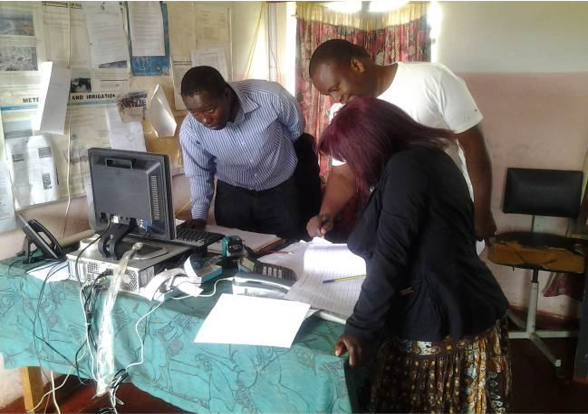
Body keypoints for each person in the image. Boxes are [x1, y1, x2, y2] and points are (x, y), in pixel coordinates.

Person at [319, 97, 510, 413]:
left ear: (370, 144)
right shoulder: (422, 160)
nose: (351, 167)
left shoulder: (408, 169)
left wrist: (360, 329)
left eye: (350, 156)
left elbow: (390, 256)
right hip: (453, 298)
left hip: (445, 317)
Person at [307, 39, 496, 247]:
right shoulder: (343, 113)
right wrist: (327, 213)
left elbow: (474, 146)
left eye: (336, 88)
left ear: (356, 65)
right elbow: (343, 173)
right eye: (328, 94)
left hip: (445, 209)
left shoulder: (432, 79)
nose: (336, 99)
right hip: (394, 217)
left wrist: (482, 212)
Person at [179, 66, 305, 239]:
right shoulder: (190, 130)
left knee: (287, 248)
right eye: (195, 113)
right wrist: (199, 217)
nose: (204, 120)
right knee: (235, 254)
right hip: (233, 196)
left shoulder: (272, 97)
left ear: (227, 95)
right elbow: (200, 174)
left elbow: (296, 129)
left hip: (280, 189)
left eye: (210, 110)